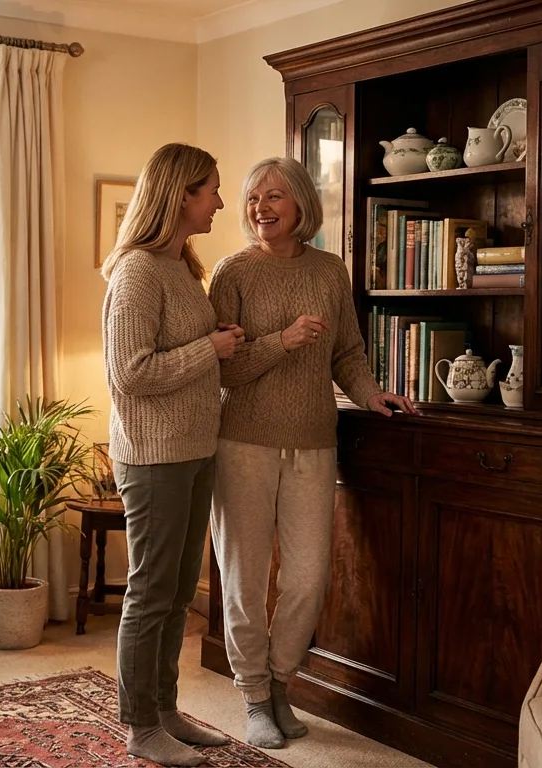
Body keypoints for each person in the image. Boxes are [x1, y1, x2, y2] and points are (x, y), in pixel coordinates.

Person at [207, 156, 416, 749]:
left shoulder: (329, 271)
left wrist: (373, 395)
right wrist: (283, 340)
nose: (260, 207)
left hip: (314, 443)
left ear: (300, 203)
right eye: (252, 197)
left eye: (274, 196)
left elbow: (347, 351)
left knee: (308, 577)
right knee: (244, 580)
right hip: (242, 442)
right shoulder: (233, 272)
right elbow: (229, 367)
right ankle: (251, 696)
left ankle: (279, 683)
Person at [100, 142, 244, 767]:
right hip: (153, 456)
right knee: (152, 593)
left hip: (194, 448)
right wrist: (209, 351)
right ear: (181, 194)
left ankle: (164, 711)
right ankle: (139, 727)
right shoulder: (135, 270)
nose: (218, 200)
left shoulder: (183, 266)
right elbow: (130, 374)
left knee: (181, 589)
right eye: (211, 188)